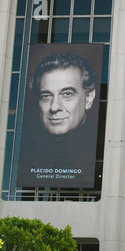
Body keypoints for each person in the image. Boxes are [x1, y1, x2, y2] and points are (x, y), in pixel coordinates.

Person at [17, 52, 100, 188]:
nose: (54, 107)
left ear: (88, 98)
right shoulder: (28, 154)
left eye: (67, 94)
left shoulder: (98, 148)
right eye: (46, 96)